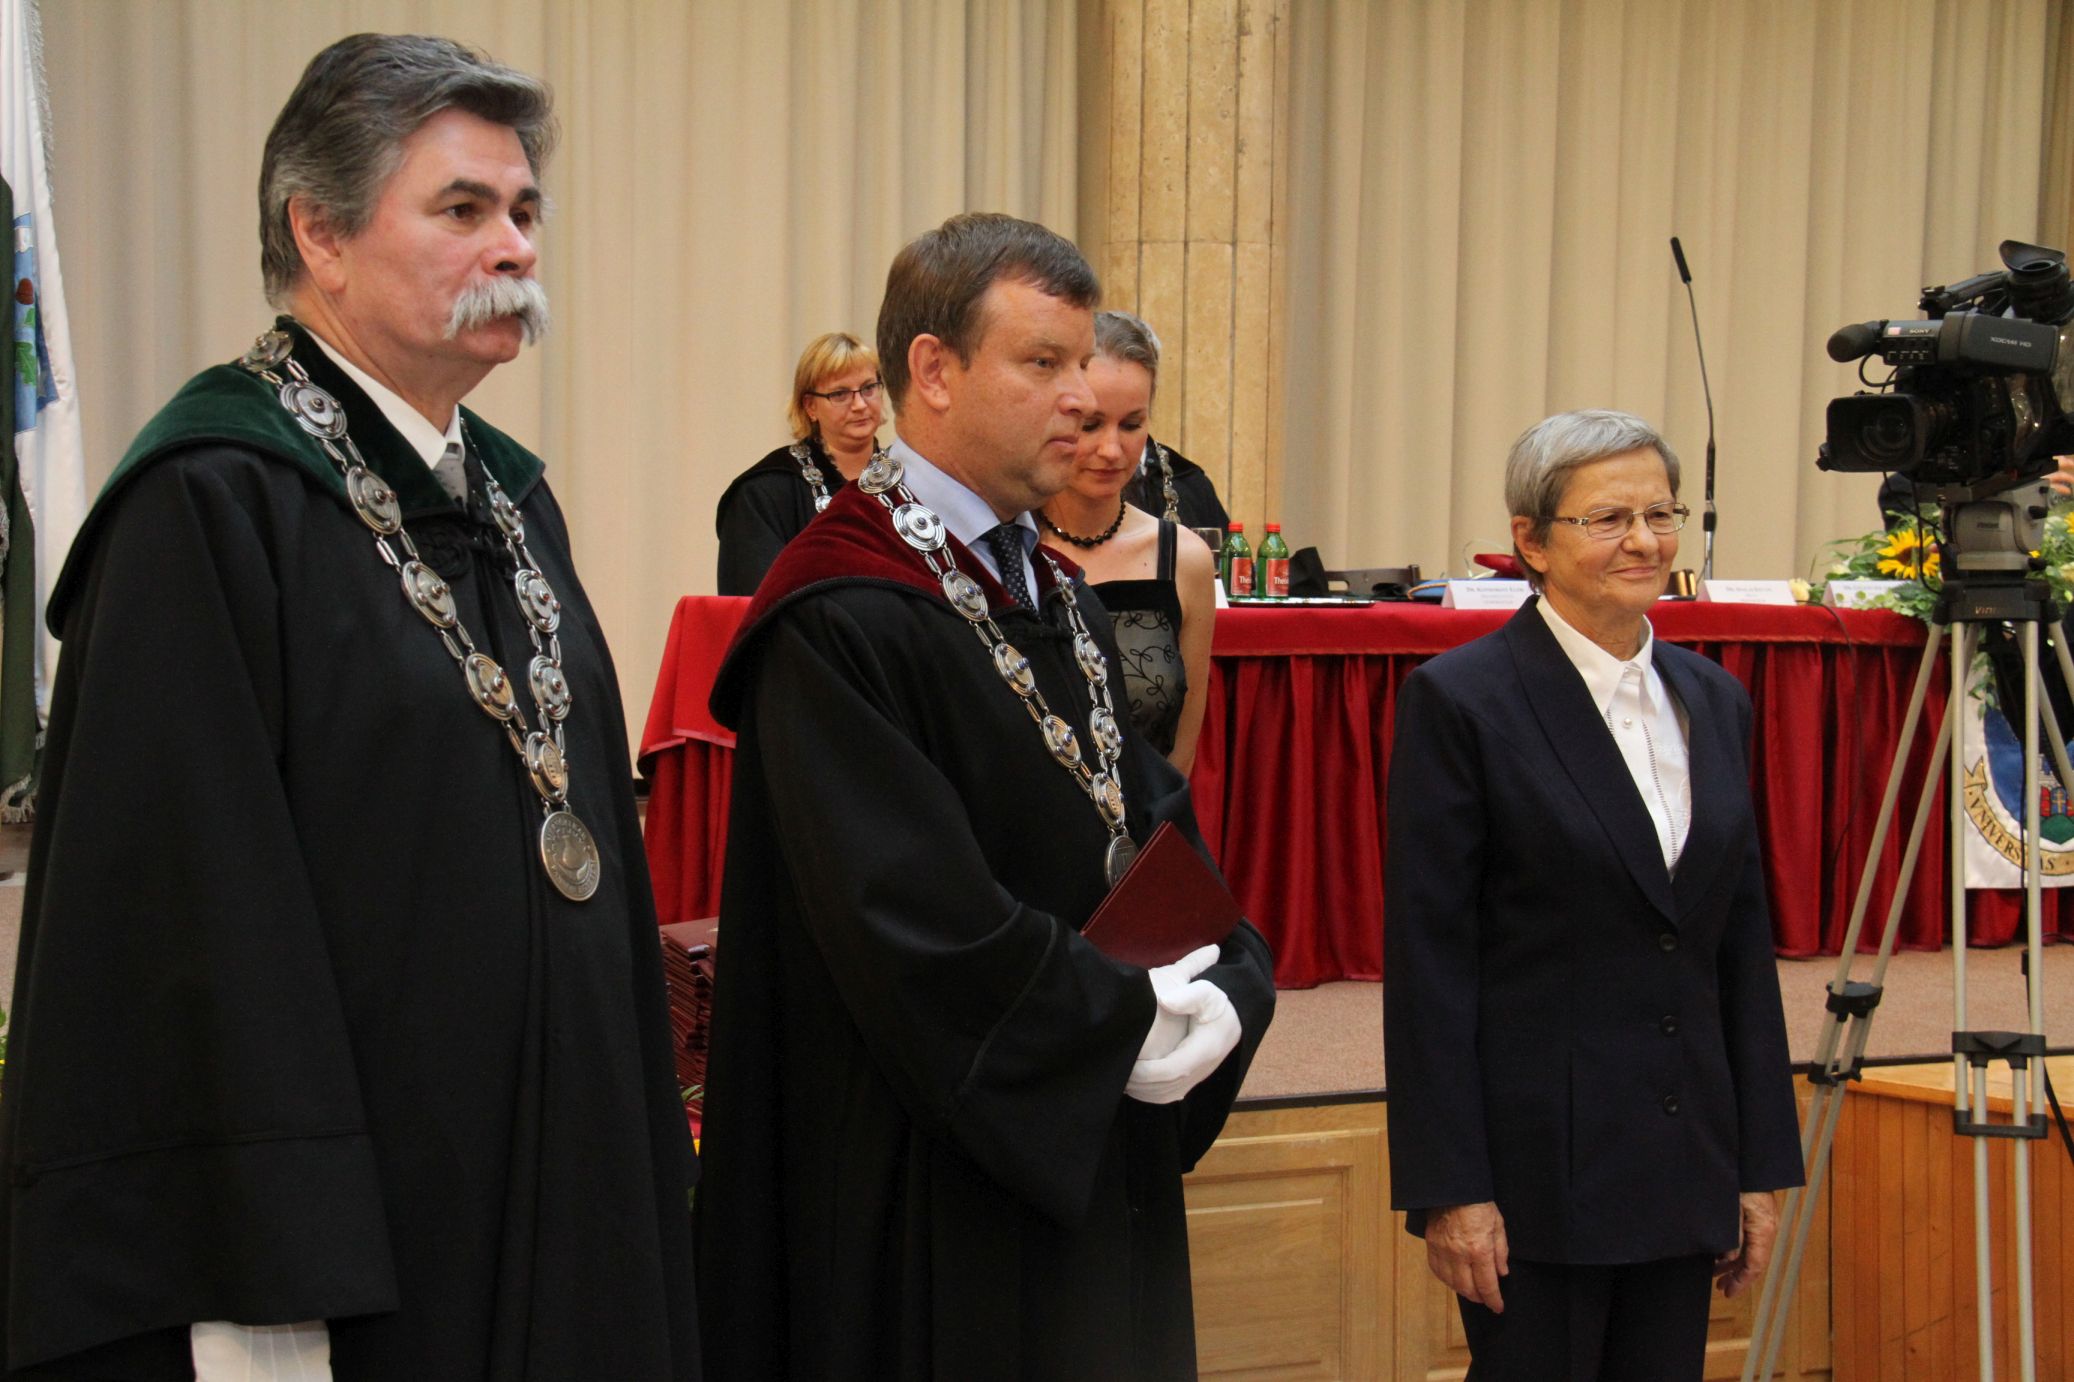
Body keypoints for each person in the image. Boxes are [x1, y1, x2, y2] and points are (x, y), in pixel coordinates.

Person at [0, 35, 700, 1381]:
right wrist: (258, 1281)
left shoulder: (509, 497)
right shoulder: (207, 502)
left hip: (561, 1179)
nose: (515, 247)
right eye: (463, 208)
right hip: (370, 1230)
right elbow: (187, 944)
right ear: (318, 233)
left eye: (525, 209)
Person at [693, 212, 1276, 1381]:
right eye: (1044, 362)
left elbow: (1147, 818)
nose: (1082, 397)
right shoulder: (840, 609)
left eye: (1085, 363)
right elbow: (909, 921)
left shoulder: (1049, 587)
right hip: (928, 1166)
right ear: (934, 370)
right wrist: (1116, 1016)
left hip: (1079, 1114)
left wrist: (1228, 974)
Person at [1383, 409, 1802, 1380]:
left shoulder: (1714, 699)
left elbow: (1738, 946)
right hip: (1536, 1179)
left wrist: (1756, 1164)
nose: (1644, 541)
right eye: (1607, 518)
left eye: (1660, 514)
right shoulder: (1462, 699)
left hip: (1684, 1161)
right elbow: (1429, 963)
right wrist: (1451, 1187)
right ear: (1531, 540)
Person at [1037, 311, 1217, 770]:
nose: (1112, 450)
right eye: (1091, 424)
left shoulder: (1184, 559)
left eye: (1132, 424)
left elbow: (1180, 760)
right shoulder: (1005, 543)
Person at [714, 331, 886, 594]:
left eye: (868, 388)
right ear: (810, 406)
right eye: (840, 394)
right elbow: (756, 603)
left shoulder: (911, 480)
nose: (860, 404)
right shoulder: (763, 492)